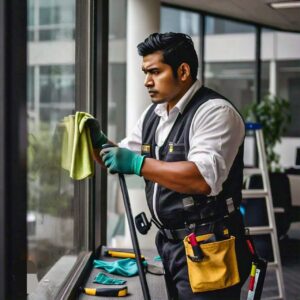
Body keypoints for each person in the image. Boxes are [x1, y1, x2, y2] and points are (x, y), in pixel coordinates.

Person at [89, 32, 252, 300]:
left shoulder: (215, 112)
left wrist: (137, 163)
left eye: (155, 72)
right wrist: (96, 142)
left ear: (184, 71)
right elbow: (117, 159)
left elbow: (201, 179)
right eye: (145, 72)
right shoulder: (154, 114)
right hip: (169, 246)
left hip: (209, 246)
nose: (147, 81)